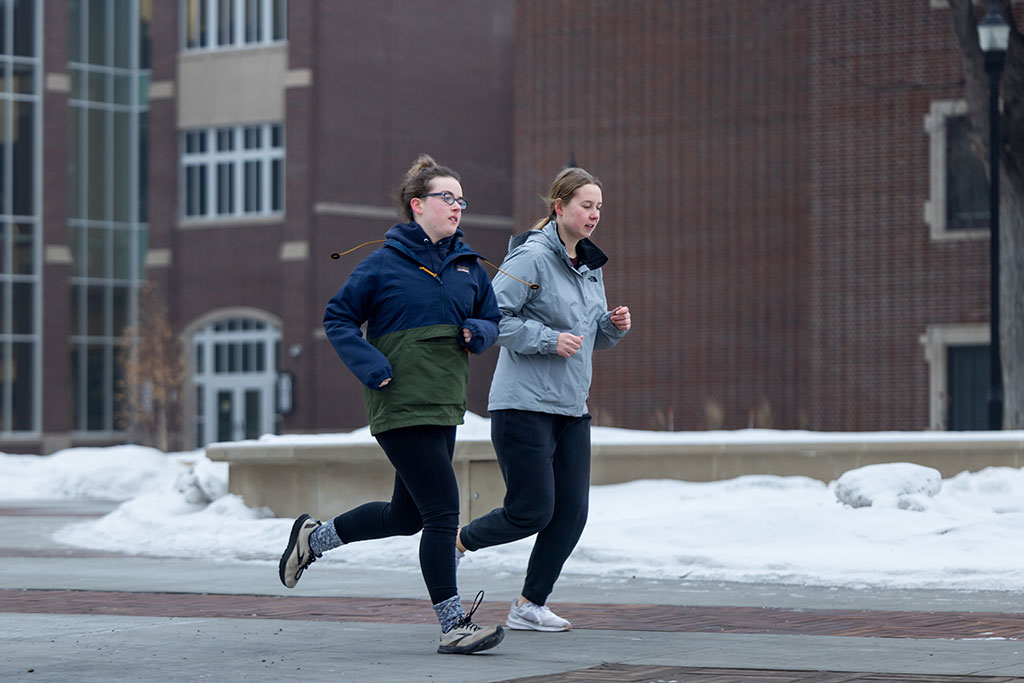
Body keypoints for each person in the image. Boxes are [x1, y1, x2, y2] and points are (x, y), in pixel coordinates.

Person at [278, 155, 505, 655]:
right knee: (445, 512)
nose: (458, 207)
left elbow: (493, 316)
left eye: (462, 199)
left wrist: (480, 332)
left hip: (445, 403)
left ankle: (313, 540)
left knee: (408, 515)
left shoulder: (469, 266)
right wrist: (372, 366)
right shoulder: (383, 262)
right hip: (398, 401)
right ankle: (452, 624)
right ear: (417, 204)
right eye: (449, 197)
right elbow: (338, 318)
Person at [456, 166, 631, 632]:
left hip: (571, 408)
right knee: (531, 511)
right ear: (559, 208)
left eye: (598, 207)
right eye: (585, 205)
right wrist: (547, 339)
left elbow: (589, 337)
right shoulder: (532, 257)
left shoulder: (590, 265)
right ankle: (455, 544)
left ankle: (529, 605)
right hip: (523, 405)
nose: (594, 214)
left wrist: (611, 328)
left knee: (572, 512)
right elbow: (493, 320)